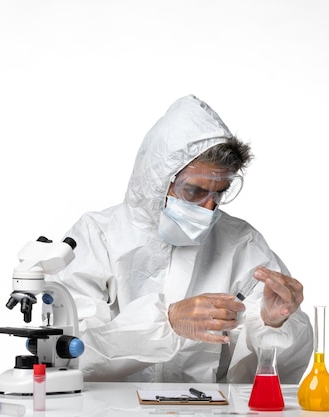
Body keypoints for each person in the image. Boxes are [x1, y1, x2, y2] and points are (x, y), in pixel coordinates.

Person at [52, 94, 313, 383]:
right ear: (158, 181)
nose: (209, 207)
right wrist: (167, 322)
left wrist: (274, 324)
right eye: (195, 191)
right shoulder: (96, 237)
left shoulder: (242, 244)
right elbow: (69, 354)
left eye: (219, 193)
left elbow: (274, 379)